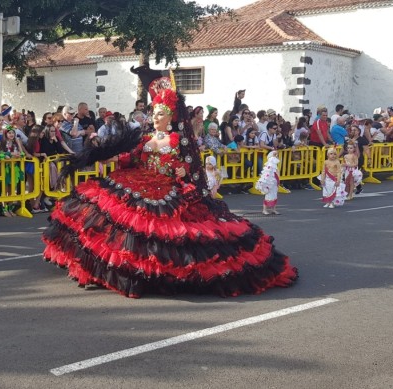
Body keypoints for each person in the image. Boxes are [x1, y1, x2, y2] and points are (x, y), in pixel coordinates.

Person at [42, 75, 297, 298]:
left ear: (171, 116)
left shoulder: (177, 141)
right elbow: (132, 158)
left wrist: (181, 170)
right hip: (138, 182)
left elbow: (188, 168)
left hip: (166, 190)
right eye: (154, 113)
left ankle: (146, 273)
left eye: (161, 113)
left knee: (159, 231)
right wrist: (109, 157)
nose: (155, 117)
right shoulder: (146, 139)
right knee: (101, 208)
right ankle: (101, 267)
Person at [255, 150, 280, 215]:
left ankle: (273, 209)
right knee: (268, 195)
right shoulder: (269, 166)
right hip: (270, 182)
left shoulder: (275, 166)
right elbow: (267, 175)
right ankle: (264, 209)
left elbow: (277, 173)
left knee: (275, 195)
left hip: (275, 181)